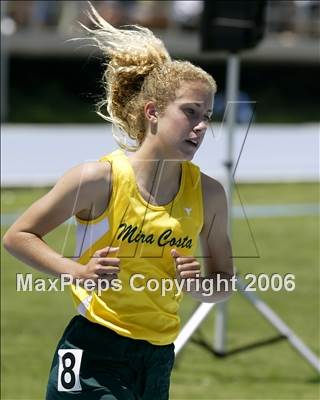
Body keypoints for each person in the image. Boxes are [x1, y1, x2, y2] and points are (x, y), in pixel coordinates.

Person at [3, 4, 234, 399]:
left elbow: (223, 285)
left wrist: (200, 285)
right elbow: (18, 235)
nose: (200, 126)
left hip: (159, 353)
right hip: (95, 346)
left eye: (207, 115)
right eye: (190, 112)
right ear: (153, 112)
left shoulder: (209, 193)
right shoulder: (98, 179)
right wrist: (74, 271)